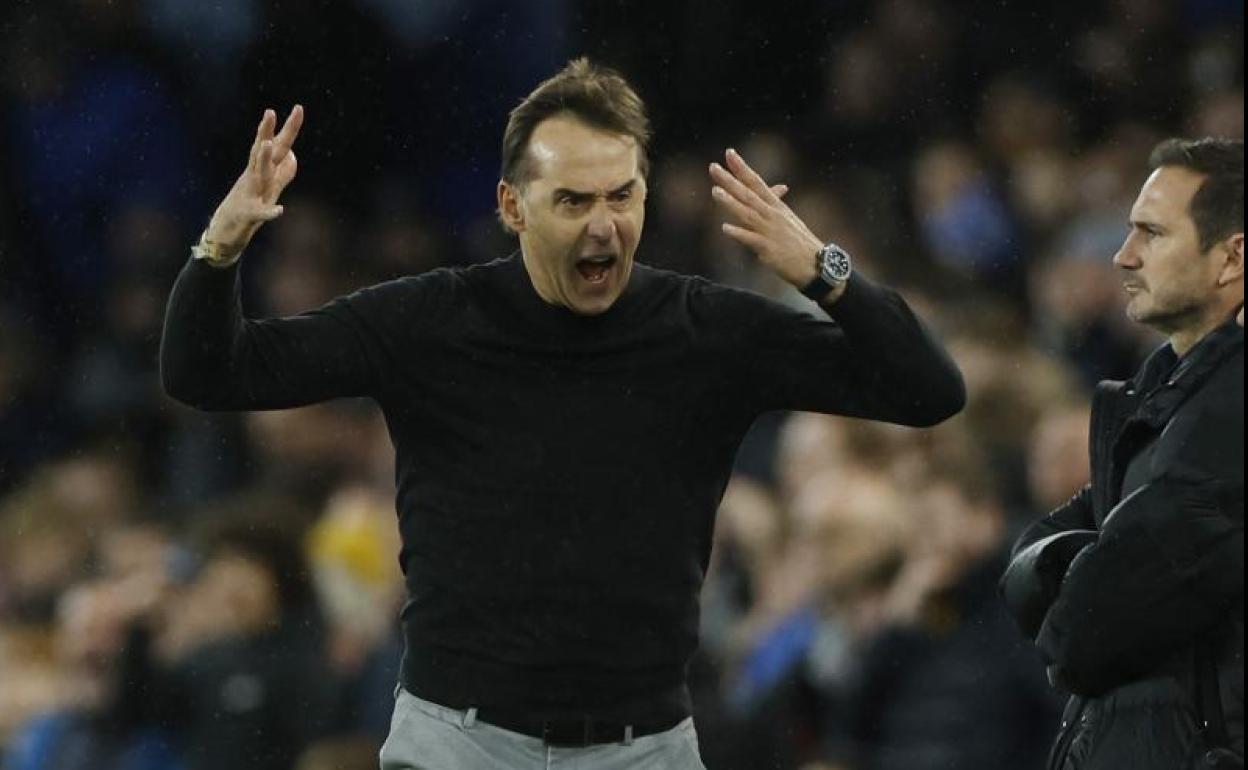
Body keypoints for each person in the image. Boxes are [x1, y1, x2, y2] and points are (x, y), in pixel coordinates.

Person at [159, 58, 965, 769]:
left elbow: (929, 391)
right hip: (458, 745)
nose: (605, 226)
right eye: (574, 201)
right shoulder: (428, 321)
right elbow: (209, 372)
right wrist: (218, 249)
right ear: (514, 206)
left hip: (647, 745)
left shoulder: (708, 331)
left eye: (624, 195)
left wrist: (825, 273)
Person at [1001, 137, 1244, 770]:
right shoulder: (1154, 402)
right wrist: (1089, 566)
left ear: (1231, 258)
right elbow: (1032, 570)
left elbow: (1089, 630)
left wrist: (1085, 579)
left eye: (1152, 234)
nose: (1122, 256)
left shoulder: (1231, 408)